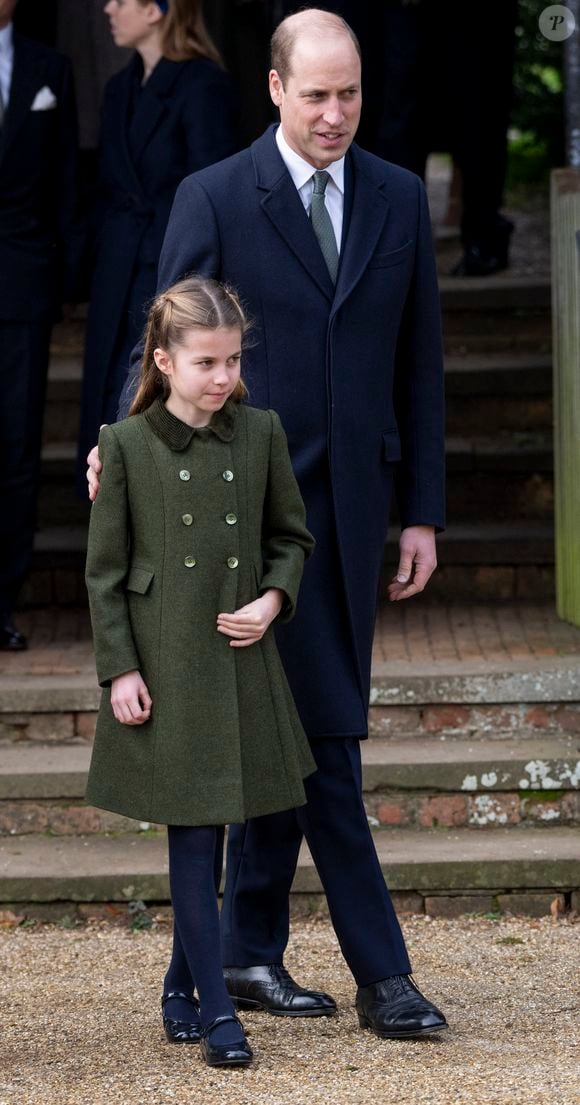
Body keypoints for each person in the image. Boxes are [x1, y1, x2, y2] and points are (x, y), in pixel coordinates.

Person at [88, 8, 447, 1039]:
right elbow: (162, 332)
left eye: (352, 94)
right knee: (326, 745)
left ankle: (239, 951)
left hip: (352, 518)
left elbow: (417, 364)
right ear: (277, 90)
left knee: (288, 742)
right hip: (230, 527)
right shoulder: (213, 194)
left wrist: (422, 510)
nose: (337, 114)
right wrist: (121, 444)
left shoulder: (396, 196)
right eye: (319, 94)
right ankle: (384, 974)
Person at [85, 275, 316, 1068]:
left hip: (242, 659)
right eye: (207, 362)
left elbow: (291, 537)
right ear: (164, 360)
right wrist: (120, 669)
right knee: (193, 835)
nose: (223, 377)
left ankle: (180, 987)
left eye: (232, 360)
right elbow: (104, 574)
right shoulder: (125, 444)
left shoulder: (261, 433)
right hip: (169, 662)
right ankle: (218, 1010)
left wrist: (272, 598)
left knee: (236, 821)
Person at [77, 0, 238, 485]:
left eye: (122, 1)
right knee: (104, 407)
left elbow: (215, 195)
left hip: (167, 273)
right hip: (116, 270)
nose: (109, 9)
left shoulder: (203, 85)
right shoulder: (119, 87)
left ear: (155, 10)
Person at [0, 0, 82, 649]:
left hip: (22, 284)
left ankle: (5, 594)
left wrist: (65, 279)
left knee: (17, 446)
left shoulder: (49, 67)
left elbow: (65, 183)